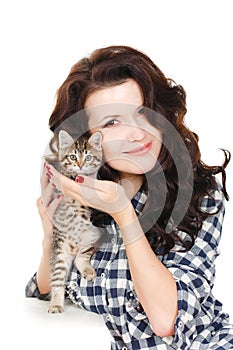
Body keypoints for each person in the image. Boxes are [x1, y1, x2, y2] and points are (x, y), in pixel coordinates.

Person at [26, 45, 233, 349]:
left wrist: (124, 214)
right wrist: (50, 238)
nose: (138, 133)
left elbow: (165, 321)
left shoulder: (199, 196)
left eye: (141, 113)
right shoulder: (87, 202)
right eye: (112, 122)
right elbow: (46, 289)